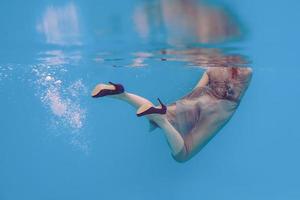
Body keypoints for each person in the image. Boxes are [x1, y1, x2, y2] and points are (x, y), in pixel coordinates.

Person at [91, 67, 252, 162]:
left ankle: (121, 93)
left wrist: (181, 107)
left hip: (202, 98)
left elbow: (196, 91)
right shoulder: (247, 72)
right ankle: (162, 120)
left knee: (162, 113)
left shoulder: (210, 68)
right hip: (222, 108)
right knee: (183, 155)